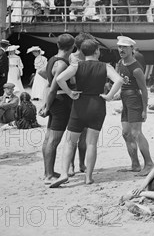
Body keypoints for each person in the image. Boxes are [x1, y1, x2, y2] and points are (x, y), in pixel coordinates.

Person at [50, 39, 124, 187]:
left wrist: (70, 93)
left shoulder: (77, 64)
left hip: (80, 104)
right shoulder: (105, 66)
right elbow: (119, 80)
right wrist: (109, 96)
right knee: (91, 143)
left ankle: (64, 173)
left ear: (82, 52)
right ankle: (88, 177)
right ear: (97, 51)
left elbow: (59, 78)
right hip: (97, 105)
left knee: (70, 142)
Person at [115, 36, 154, 175]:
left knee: (136, 133)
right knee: (126, 133)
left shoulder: (136, 68)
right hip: (125, 100)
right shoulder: (120, 63)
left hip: (135, 100)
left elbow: (144, 89)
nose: (121, 49)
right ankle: (135, 164)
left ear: (132, 49)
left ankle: (149, 163)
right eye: (119, 47)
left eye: (124, 47)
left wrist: (145, 110)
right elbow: (121, 82)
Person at [39, 34, 75, 183]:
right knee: (54, 141)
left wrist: (47, 103)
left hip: (54, 101)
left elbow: (42, 74)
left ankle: (48, 171)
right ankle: (48, 175)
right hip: (60, 102)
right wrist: (47, 106)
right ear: (72, 47)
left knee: (48, 139)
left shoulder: (52, 60)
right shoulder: (62, 64)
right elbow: (53, 88)